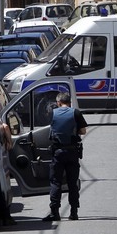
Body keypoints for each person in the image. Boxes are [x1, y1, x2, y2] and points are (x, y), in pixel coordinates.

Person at [42, 92, 88, 221]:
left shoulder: (52, 113)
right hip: (73, 152)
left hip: (57, 152)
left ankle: (54, 212)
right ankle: (74, 212)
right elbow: (83, 131)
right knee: (72, 183)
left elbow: (48, 129)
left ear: (58, 102)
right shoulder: (76, 113)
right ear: (69, 102)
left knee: (56, 182)